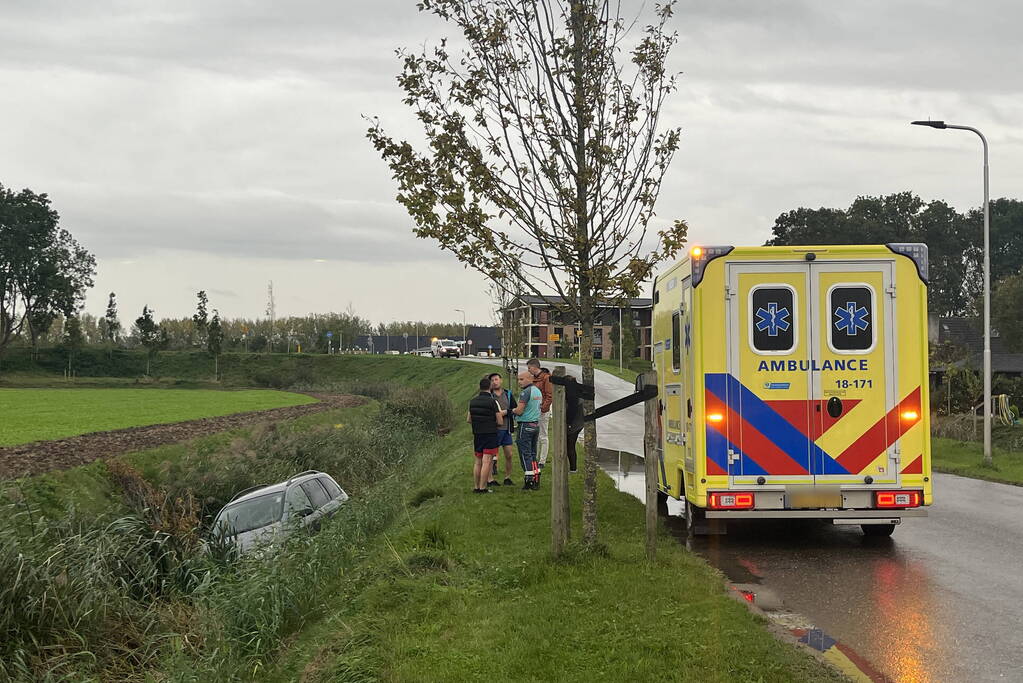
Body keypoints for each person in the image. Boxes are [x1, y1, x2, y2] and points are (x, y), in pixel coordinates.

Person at [467, 377, 503, 494]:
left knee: (478, 461)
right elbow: (500, 421)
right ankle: (483, 488)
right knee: (487, 461)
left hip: (477, 434)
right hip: (490, 434)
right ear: (490, 387)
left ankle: (476, 487)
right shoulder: (493, 402)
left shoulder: (472, 401)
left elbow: (469, 419)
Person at [513, 370, 542, 490]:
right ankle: (536, 478)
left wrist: (511, 411)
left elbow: (519, 410)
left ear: (530, 379)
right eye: (518, 379)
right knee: (533, 454)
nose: (519, 382)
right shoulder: (537, 391)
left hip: (525, 425)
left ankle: (528, 481)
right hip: (535, 425)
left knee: (525, 454)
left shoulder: (526, 392)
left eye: (521, 379)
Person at [489, 372, 516, 486]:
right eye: (492, 380)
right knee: (491, 455)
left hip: (507, 429)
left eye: (496, 379)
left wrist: (505, 412)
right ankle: (490, 479)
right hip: (495, 429)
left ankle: (507, 477)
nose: (494, 382)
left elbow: (515, 408)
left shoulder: (508, 394)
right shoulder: (489, 396)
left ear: (501, 380)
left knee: (509, 455)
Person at [526, 358, 553, 468]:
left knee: (543, 435)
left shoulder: (546, 378)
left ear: (534, 367)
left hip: (541, 410)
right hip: (534, 411)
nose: (528, 371)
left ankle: (542, 460)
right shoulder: (534, 379)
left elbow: (549, 395)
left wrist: (543, 409)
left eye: (529, 368)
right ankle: (534, 458)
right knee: (535, 435)